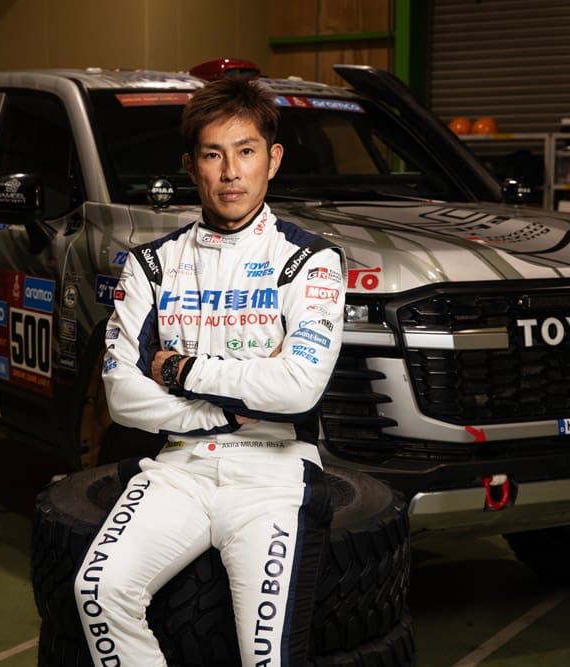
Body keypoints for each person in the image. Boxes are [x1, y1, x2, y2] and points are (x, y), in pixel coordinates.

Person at [73, 76, 346, 666]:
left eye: (246, 152)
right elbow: (122, 396)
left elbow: (298, 390)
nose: (230, 172)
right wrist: (233, 406)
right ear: (190, 166)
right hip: (179, 470)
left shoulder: (310, 260)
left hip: (274, 476)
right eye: (213, 154)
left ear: (271, 161)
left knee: (266, 658)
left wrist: (182, 368)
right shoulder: (151, 264)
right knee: (97, 593)